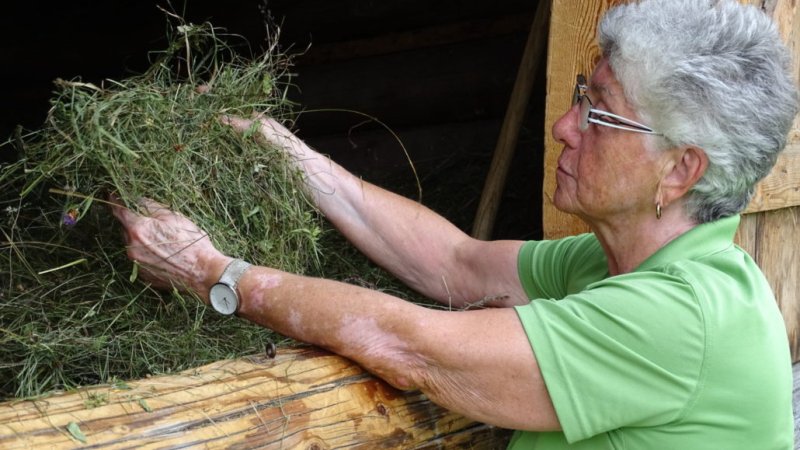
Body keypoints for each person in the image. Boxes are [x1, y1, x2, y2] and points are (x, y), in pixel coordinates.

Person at [111, 0, 799, 448]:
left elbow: (411, 348)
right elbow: (456, 264)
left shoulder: (680, 319)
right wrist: (290, 158)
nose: (563, 127)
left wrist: (209, 272)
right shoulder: (613, 264)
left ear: (679, 171)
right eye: (579, 95)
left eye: (599, 112)